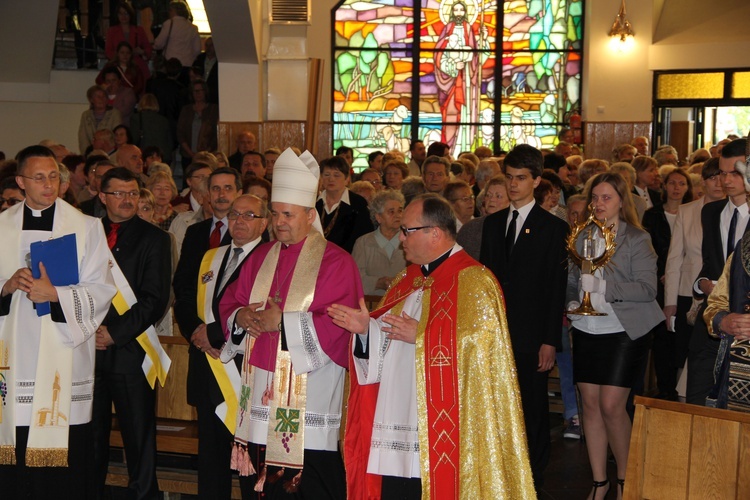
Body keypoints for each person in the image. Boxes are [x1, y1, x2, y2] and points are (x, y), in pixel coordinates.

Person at [330, 194, 535, 499]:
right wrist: (366, 331)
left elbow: (482, 353)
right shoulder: (406, 280)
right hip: (397, 417)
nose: (401, 239)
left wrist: (424, 335)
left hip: (446, 428)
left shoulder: (475, 281)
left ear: (435, 233)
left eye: (407, 230)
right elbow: (387, 342)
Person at [219, 147, 363, 498]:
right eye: (275, 213)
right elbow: (230, 301)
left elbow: (339, 324)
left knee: (306, 484)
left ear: (309, 215)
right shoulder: (262, 256)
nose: (279, 222)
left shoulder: (335, 262)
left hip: (308, 387)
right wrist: (242, 316)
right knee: (259, 484)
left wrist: (281, 323)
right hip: (261, 386)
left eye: (288, 214)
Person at [0, 145, 116, 497]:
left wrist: (56, 295)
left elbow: (102, 289)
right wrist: (6, 288)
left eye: (54, 176)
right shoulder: (1, 228)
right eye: (38, 178)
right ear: (20, 182)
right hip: (13, 356)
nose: (48, 184)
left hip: (63, 352)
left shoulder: (86, 227)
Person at [566, 172, 663, 500]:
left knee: (611, 405)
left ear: (623, 201)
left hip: (624, 329)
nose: (599, 204)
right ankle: (599, 482)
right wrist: (571, 299)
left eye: (607, 197)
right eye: (595, 198)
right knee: (590, 405)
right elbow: (571, 277)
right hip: (586, 327)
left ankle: (625, 478)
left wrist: (605, 287)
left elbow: (648, 289)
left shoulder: (637, 238)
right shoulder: (583, 235)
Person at [479, 144, 569, 489]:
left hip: (533, 333)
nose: (513, 185)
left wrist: (549, 339)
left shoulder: (552, 228)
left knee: (532, 404)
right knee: (496, 400)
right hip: (496, 329)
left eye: (520, 178)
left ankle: (533, 474)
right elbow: (486, 281)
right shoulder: (493, 224)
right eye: (510, 177)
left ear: (536, 181)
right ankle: (500, 466)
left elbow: (554, 288)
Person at [180, 194, 268, 498]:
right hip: (208, 368)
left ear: (264, 222)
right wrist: (196, 332)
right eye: (234, 214)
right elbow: (184, 298)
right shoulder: (211, 256)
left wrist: (214, 334)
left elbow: (259, 311)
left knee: (249, 460)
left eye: (249, 215)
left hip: (244, 371)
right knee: (211, 461)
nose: (239, 221)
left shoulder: (271, 260)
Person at [92, 167, 172, 500]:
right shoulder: (86, 232)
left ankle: (143, 495)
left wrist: (114, 333)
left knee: (138, 435)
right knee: (90, 435)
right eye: (119, 194)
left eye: (133, 193)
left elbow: (155, 299)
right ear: (102, 196)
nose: (127, 200)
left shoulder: (155, 238)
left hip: (130, 350)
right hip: (87, 351)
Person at [688, 139, 750, 405]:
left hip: (744, 324)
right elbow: (710, 262)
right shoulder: (711, 211)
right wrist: (700, 283)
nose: (727, 180)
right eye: (722, 173)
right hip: (713, 318)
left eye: (735, 173)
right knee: (698, 399)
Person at [663, 159, 725, 402]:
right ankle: (684, 402)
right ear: (703, 182)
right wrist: (670, 302)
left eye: (723, 177)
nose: (719, 183)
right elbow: (674, 258)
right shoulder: (688, 211)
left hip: (722, 293)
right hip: (689, 292)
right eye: (712, 178)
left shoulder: (737, 211)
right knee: (686, 354)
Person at [642, 168, 692, 400]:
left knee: (681, 334)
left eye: (681, 183)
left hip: (686, 281)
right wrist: (663, 273)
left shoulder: (693, 212)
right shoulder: (652, 215)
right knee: (662, 336)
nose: (676, 188)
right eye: (672, 183)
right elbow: (648, 249)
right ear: (664, 187)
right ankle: (665, 388)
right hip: (658, 281)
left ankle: (681, 386)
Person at [435, 1, 486, 156]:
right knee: (451, 113)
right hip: (451, 81)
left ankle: (464, 148)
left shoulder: (468, 29)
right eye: (455, 10)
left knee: (466, 115)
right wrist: (451, 67)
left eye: (461, 10)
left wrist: (483, 40)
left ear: (465, 12)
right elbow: (438, 54)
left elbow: (476, 57)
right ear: (451, 12)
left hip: (466, 82)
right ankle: (449, 150)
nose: (458, 13)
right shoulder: (447, 29)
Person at [351, 190, 407, 296]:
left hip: (403, 304)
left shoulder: (409, 240)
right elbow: (355, 278)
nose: (397, 215)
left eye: (400, 211)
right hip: (371, 306)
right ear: (378, 217)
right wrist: (379, 283)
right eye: (391, 212)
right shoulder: (363, 243)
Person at [315, 155, 373, 253]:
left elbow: (365, 237)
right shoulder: (314, 203)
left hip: (349, 258)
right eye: (327, 174)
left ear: (347, 179)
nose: (331, 179)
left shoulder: (357, 203)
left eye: (336, 175)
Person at [177, 79, 219, 170]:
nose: (197, 93)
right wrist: (191, 153)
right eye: (194, 91)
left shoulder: (213, 110)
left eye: (200, 90)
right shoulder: (186, 110)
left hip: (207, 155)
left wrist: (206, 152)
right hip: (188, 154)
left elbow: (216, 133)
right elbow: (180, 133)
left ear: (205, 92)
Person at [105, 2, 152, 80]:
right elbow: (108, 51)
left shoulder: (139, 30)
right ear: (117, 15)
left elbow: (148, 49)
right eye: (120, 13)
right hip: (119, 68)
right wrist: (121, 57)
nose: (123, 16)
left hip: (138, 67)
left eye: (126, 13)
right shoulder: (112, 31)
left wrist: (142, 51)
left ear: (130, 15)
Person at [153, 1, 201, 69]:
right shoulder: (193, 27)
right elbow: (197, 49)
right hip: (187, 63)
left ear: (173, 11)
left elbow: (159, 44)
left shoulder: (169, 24)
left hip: (170, 63)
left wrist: (154, 46)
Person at [130, 93, 174, 165]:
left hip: (144, 156)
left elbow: (134, 138)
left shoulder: (136, 118)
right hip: (162, 157)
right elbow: (169, 142)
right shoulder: (164, 120)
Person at [78, 85, 122, 154]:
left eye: (104, 96)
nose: (101, 99)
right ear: (91, 100)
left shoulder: (115, 113)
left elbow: (116, 137)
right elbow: (83, 138)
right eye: (98, 97)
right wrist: (87, 154)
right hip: (91, 153)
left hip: (111, 153)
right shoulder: (86, 115)